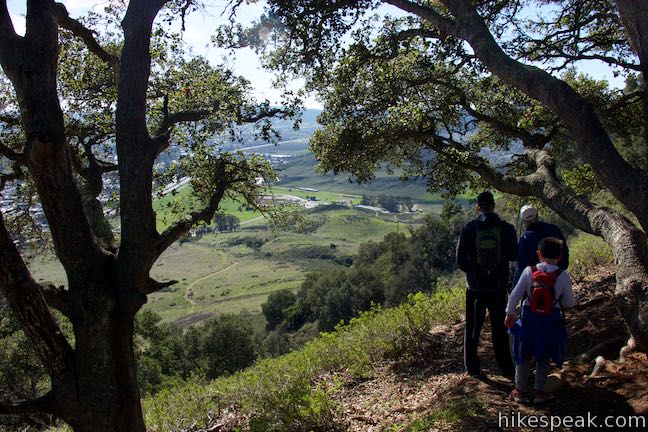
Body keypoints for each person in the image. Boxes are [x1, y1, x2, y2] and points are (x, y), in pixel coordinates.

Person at [505, 237, 576, 404]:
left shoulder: (529, 271)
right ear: (560, 256)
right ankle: (539, 392)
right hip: (550, 322)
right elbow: (569, 302)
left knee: (523, 355)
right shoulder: (562, 275)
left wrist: (509, 313)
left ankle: (519, 391)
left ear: (538, 254)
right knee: (543, 356)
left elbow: (515, 295)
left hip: (528, 320)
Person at [457, 191, 517, 377]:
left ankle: (473, 368)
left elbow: (460, 261)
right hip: (498, 286)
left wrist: (474, 273)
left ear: (478, 207)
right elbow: (514, 255)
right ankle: (506, 367)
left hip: (475, 288)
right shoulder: (506, 228)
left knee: (472, 328)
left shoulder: (469, 228)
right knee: (500, 328)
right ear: (493, 205)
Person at [513, 204, 569, 286]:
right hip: (557, 275)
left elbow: (522, 265)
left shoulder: (524, 238)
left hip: (535, 281)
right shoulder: (553, 229)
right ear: (537, 216)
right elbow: (564, 251)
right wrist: (561, 269)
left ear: (524, 221)